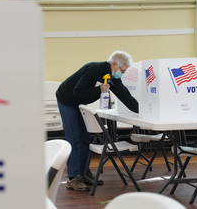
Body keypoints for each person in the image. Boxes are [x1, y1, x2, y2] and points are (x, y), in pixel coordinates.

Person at [56, 50, 138, 192]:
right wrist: (99, 89)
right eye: (122, 70)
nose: (122, 74)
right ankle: (73, 178)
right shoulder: (93, 68)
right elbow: (78, 91)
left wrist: (141, 110)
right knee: (74, 138)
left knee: (85, 137)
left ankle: (84, 173)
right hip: (67, 99)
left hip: (79, 102)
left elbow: (125, 96)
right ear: (114, 64)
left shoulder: (113, 78)